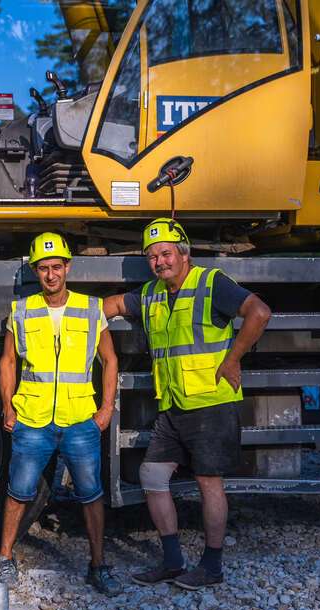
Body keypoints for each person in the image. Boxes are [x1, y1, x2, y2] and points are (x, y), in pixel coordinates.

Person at [103, 218, 271, 590]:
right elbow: (112, 304)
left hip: (211, 401)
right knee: (152, 476)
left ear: (183, 253)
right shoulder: (151, 294)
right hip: (175, 403)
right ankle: (173, 561)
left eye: (165, 253)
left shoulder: (210, 283)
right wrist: (74, 319)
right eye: (152, 256)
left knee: (209, 484)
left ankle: (212, 567)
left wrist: (233, 358)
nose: (159, 262)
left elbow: (259, 313)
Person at [0, 232, 123, 596]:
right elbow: (8, 361)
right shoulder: (20, 310)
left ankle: (98, 565)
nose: (50, 274)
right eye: (43, 268)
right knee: (18, 491)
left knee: (91, 494)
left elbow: (110, 360)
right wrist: (8, 406)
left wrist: (106, 409)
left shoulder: (91, 308)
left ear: (68, 267)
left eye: (56, 267)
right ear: (35, 271)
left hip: (80, 418)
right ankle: (4, 559)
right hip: (32, 417)